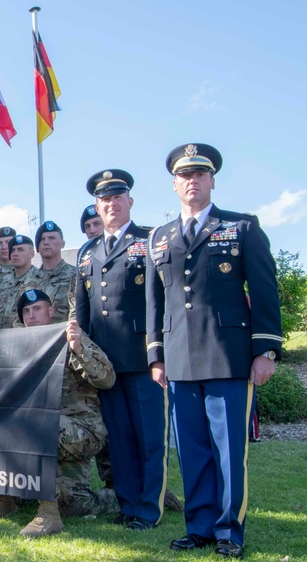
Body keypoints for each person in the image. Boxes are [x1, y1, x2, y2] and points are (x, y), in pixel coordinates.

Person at [147, 143, 282, 558]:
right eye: (185, 176)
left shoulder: (241, 227)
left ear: (211, 181)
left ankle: (228, 531)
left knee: (228, 450)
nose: (193, 181)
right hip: (180, 358)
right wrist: (156, 354)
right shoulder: (160, 236)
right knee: (191, 450)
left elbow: (264, 291)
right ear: (174, 185)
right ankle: (200, 527)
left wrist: (267, 351)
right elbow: (157, 300)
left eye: (200, 175)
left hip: (229, 355)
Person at [76, 169, 170, 531]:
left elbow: (162, 300)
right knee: (120, 441)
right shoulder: (88, 252)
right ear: (96, 207)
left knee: (149, 438)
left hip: (143, 357)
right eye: (104, 200)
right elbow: (82, 310)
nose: (111, 204)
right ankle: (128, 504)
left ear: (129, 202)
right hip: (105, 363)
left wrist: (158, 353)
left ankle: (150, 508)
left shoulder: (149, 240)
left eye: (117, 197)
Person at [16, 289, 119, 538]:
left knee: (36, 422)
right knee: (73, 504)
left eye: (38, 308)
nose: (32, 315)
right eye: (26, 311)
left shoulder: (68, 338)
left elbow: (107, 379)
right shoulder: (17, 347)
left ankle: (48, 516)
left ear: (51, 311)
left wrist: (79, 348)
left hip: (83, 430)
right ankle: (124, 496)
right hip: (47, 436)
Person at [0, 234, 40, 329]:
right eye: (13, 250)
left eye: (20, 250)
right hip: (2, 336)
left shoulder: (40, 278)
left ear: (31, 254)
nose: (15, 253)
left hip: (27, 336)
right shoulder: (4, 282)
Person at [35, 221, 75, 322]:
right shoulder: (28, 280)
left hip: (65, 335)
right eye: (42, 239)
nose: (46, 242)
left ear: (63, 244)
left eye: (52, 238)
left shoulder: (75, 275)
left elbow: (78, 312)